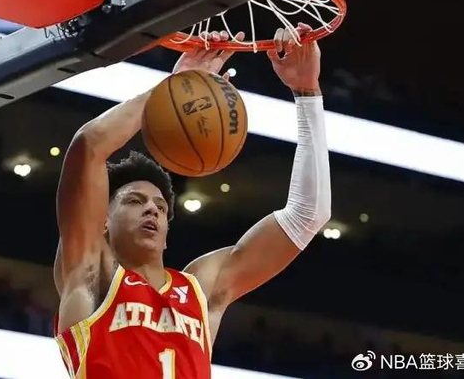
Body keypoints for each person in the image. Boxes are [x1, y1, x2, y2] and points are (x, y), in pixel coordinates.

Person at [53, 24, 331, 378]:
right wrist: (168, 92)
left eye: (160, 207)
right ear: (103, 222)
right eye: (134, 201)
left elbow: (309, 214)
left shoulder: (199, 289)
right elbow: (88, 146)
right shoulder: (92, 277)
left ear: (167, 234)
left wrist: (307, 93)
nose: (151, 209)